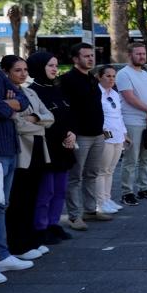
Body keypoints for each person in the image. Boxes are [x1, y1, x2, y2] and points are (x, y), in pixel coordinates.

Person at [0, 33, 34, 282]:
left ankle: (0, 255)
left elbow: (23, 99)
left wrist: (6, 106)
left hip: (8, 146)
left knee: (1, 205)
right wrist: (5, 107)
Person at [3, 55, 53, 261]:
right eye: (17, 70)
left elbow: (50, 117)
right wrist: (38, 124)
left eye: (25, 69)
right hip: (22, 151)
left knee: (33, 196)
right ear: (7, 72)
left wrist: (35, 120)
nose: (23, 74)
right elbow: (16, 123)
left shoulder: (30, 91)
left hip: (39, 149)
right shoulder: (5, 93)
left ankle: (30, 239)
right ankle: (18, 244)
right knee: (18, 200)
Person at [27, 52, 76, 244]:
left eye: (56, 65)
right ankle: (40, 227)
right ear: (39, 67)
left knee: (60, 190)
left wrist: (72, 133)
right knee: (45, 191)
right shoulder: (33, 91)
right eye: (50, 65)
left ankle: (53, 224)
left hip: (64, 147)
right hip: (46, 148)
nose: (55, 69)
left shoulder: (58, 88)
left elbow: (69, 114)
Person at [60, 43, 108, 230]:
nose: (90, 58)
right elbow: (66, 110)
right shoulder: (67, 80)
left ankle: (90, 210)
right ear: (75, 59)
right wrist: (69, 133)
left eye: (92, 55)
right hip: (79, 136)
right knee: (75, 177)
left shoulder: (92, 78)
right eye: (86, 56)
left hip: (97, 134)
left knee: (92, 174)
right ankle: (73, 216)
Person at [117, 42, 147, 205]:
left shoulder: (146, 73)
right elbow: (130, 97)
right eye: (138, 54)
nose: (142, 56)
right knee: (131, 159)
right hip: (132, 121)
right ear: (130, 55)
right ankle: (127, 191)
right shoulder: (123, 74)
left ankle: (144, 188)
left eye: (143, 53)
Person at [96, 66, 128, 214]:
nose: (111, 79)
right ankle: (100, 202)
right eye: (108, 76)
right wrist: (103, 134)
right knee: (102, 170)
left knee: (110, 170)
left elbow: (119, 115)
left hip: (118, 135)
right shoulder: (97, 93)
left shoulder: (114, 94)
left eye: (113, 76)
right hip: (105, 136)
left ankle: (107, 199)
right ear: (100, 77)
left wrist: (124, 133)